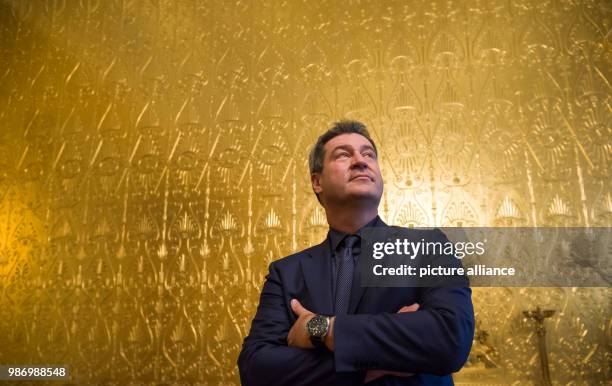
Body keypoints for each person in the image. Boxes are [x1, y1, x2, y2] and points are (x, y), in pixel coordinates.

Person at [238, 120, 474, 385]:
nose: (361, 161)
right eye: (343, 154)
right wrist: (374, 361)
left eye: (368, 154)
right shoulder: (286, 273)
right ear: (317, 182)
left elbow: (450, 338)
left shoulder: (430, 245)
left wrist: (321, 328)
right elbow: (256, 369)